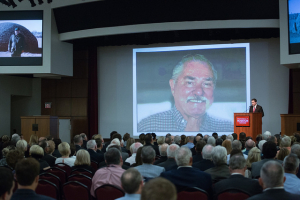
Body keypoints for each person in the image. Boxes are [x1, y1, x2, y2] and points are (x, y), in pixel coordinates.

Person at [138, 54, 233, 132]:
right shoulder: (148, 126)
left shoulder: (228, 128)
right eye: (189, 83)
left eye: (207, 84)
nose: (199, 92)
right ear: (173, 86)